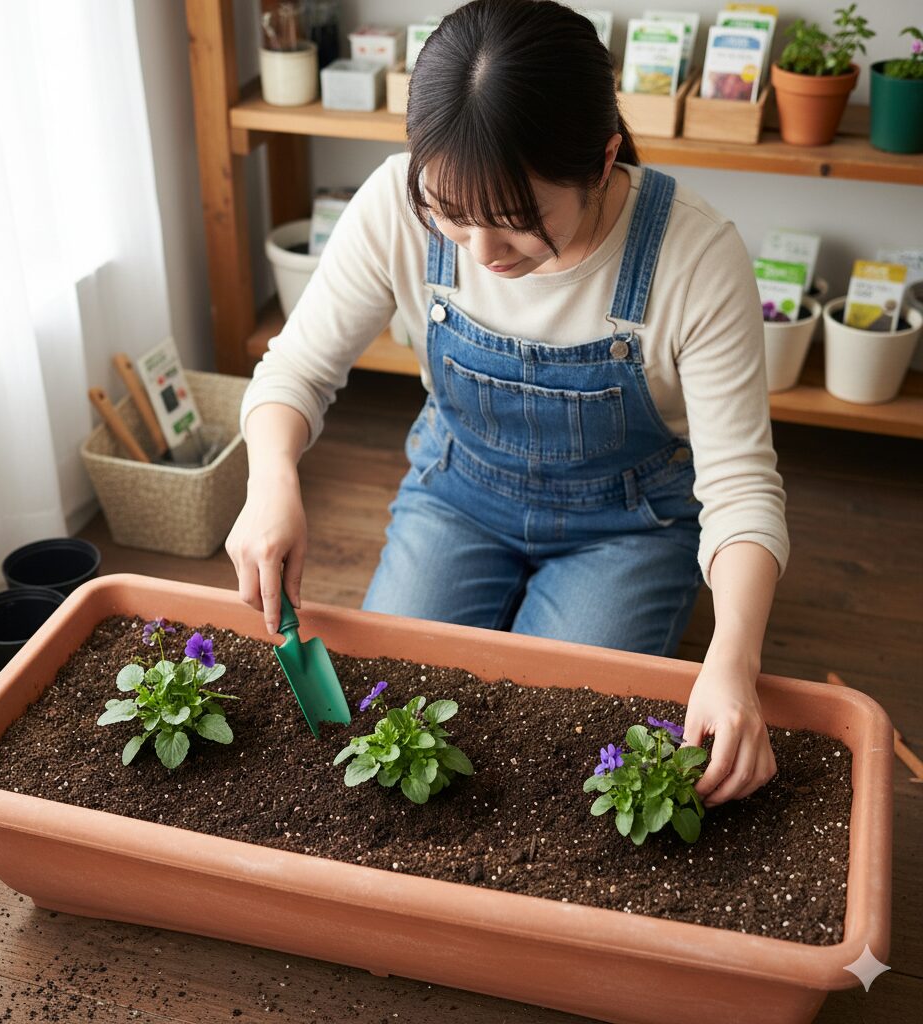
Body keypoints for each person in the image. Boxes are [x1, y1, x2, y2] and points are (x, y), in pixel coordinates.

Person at [226, 0, 789, 808]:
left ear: (600, 164)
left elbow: (740, 487)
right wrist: (271, 480)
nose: (482, 255)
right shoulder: (395, 200)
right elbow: (296, 370)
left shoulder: (694, 255)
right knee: (396, 716)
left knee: (556, 742)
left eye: (518, 224)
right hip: (458, 494)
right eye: (450, 218)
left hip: (628, 527)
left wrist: (735, 659)